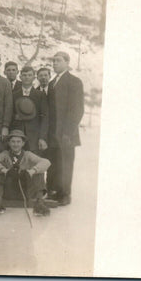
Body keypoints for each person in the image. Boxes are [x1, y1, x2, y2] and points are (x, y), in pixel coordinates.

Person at [47, 51, 84, 206]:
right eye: (53, 61)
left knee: (66, 164)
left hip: (66, 134)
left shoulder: (74, 82)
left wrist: (68, 132)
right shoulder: (52, 83)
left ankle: (65, 195)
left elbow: (77, 109)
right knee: (55, 163)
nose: (55, 63)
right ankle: (54, 192)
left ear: (67, 62)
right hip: (53, 133)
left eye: (59, 60)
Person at [0, 129, 51, 216]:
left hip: (25, 192)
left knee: (39, 173)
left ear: (23, 143)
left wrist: (32, 171)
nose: (15, 144)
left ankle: (39, 203)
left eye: (18, 142)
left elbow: (46, 162)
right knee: (0, 172)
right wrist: (5, 171)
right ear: (9, 143)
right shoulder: (5, 154)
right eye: (13, 142)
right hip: (10, 191)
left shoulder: (28, 155)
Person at [11, 66, 48, 154]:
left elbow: (45, 117)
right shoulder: (14, 95)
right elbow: (9, 114)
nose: (27, 77)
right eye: (24, 75)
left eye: (29, 75)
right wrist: (15, 116)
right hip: (17, 136)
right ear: (20, 77)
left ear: (34, 78)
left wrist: (42, 138)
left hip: (34, 136)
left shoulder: (40, 95)